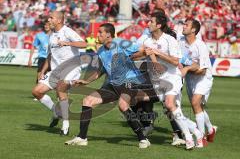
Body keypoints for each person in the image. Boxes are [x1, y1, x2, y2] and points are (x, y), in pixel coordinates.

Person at [65, 23, 153, 148]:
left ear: (108, 35)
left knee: (123, 105)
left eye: (100, 32)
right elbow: (100, 70)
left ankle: (143, 139)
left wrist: (132, 56)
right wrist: (86, 81)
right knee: (87, 101)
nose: (98, 34)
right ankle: (82, 137)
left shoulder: (121, 43)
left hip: (130, 80)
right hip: (113, 83)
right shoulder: (100, 50)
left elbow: (143, 51)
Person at [132, 12, 203, 149]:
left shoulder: (169, 40)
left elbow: (176, 61)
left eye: (151, 22)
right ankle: (196, 130)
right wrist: (142, 53)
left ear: (159, 25)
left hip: (172, 77)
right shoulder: (147, 40)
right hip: (157, 81)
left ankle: (188, 138)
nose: (148, 24)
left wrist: (158, 53)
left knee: (170, 105)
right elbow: (134, 57)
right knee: (173, 111)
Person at [31, 11, 87, 136]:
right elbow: (50, 55)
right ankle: (56, 112)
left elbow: (84, 44)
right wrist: (43, 70)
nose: (49, 20)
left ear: (59, 20)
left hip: (71, 68)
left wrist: (68, 43)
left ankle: (65, 126)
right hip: (56, 70)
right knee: (37, 91)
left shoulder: (67, 31)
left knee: (61, 89)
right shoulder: (52, 35)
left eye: (51, 18)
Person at [179, 18, 217, 145]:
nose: (183, 26)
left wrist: (186, 69)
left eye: (186, 25)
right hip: (190, 79)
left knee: (195, 102)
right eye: (184, 24)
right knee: (197, 106)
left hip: (203, 78)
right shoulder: (181, 42)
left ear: (193, 30)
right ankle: (211, 129)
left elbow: (203, 71)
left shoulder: (200, 46)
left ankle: (201, 138)